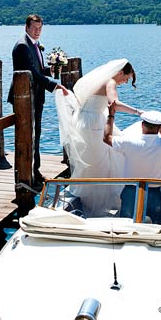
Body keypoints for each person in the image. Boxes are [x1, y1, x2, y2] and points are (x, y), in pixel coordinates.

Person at [54, 58, 144, 216]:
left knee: (98, 160)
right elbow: (114, 103)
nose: (124, 82)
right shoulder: (110, 82)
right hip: (93, 125)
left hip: (87, 121)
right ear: (120, 72)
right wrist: (138, 112)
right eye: (126, 78)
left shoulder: (99, 81)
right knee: (99, 163)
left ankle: (94, 201)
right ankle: (95, 206)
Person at [7, 14, 68, 185]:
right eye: (34, 28)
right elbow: (31, 73)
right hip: (24, 99)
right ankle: (27, 176)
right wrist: (54, 85)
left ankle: (36, 171)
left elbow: (39, 70)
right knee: (28, 137)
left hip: (35, 97)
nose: (37, 31)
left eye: (40, 28)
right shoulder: (22, 46)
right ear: (26, 27)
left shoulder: (34, 46)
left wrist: (54, 69)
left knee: (36, 135)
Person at [103, 108, 161, 222]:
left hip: (131, 191)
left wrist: (111, 116)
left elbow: (107, 138)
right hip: (154, 191)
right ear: (158, 128)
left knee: (127, 224)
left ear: (142, 125)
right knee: (155, 225)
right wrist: (159, 126)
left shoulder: (129, 142)